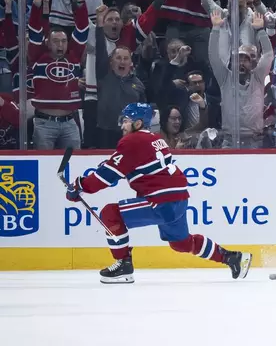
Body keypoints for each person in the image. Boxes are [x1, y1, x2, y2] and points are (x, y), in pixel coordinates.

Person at [65, 103, 252, 284]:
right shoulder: (155, 139)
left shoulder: (132, 140)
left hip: (161, 201)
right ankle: (232, 258)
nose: (122, 125)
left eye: (126, 121)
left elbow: (107, 176)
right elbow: (130, 169)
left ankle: (123, 265)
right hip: (178, 199)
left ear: (138, 123)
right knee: (182, 243)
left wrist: (79, 186)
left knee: (110, 213)